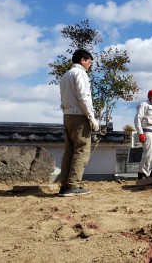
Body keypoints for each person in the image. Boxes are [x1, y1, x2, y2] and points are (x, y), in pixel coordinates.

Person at [58, 49, 99, 197]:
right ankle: (73, 185)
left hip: (67, 115)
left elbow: (63, 98)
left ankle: (64, 185)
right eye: (89, 61)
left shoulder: (65, 75)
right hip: (79, 116)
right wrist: (91, 117)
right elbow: (84, 97)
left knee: (69, 151)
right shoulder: (80, 73)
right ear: (83, 60)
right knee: (82, 150)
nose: (89, 64)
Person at [134, 89, 152, 180]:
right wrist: (140, 133)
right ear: (149, 97)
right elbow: (137, 119)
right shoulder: (144, 105)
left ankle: (147, 174)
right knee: (148, 154)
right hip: (147, 131)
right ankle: (142, 174)